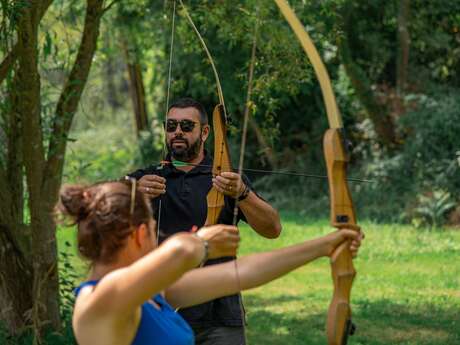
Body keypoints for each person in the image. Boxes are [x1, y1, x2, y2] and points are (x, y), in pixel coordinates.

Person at [58, 180, 363, 345]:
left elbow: (242, 273)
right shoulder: (99, 302)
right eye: (154, 231)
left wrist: (325, 245)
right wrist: (203, 243)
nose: (157, 238)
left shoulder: (153, 294)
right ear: (139, 235)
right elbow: (180, 253)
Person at [126, 98, 282, 344]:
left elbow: (273, 229)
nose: (177, 131)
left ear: (205, 132)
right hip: (161, 312)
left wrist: (242, 193)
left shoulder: (226, 178)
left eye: (187, 126)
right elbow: (94, 204)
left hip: (219, 316)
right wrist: (131, 191)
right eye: (171, 126)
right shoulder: (148, 179)